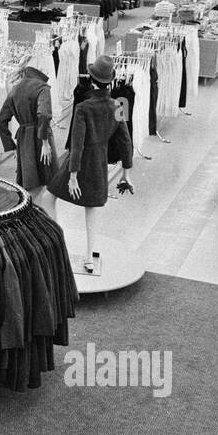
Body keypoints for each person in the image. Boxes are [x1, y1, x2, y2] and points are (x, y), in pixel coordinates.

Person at [41, 54, 133, 274]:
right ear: (110, 81)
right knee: (91, 207)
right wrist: (126, 172)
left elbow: (78, 143)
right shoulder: (118, 105)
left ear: (92, 80)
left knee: (47, 198)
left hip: (79, 162)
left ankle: (58, 244)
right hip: (99, 162)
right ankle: (90, 257)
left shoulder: (83, 107)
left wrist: (72, 175)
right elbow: (125, 140)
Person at [0, 65, 55, 197]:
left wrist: (11, 147)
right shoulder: (42, 88)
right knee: (49, 183)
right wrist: (45, 142)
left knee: (30, 183)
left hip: (24, 141)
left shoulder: (14, 91)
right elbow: (44, 115)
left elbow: (0, 121)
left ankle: (32, 213)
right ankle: (45, 215)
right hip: (41, 137)